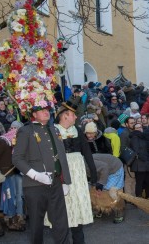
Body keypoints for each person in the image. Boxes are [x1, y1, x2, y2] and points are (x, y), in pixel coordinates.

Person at [12, 107, 71, 244]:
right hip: (34, 186)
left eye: (47, 110)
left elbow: (60, 157)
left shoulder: (54, 130)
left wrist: (64, 181)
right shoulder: (25, 131)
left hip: (55, 182)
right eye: (42, 110)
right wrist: (35, 175)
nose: (46, 113)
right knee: (36, 225)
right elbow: (17, 158)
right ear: (33, 114)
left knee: (61, 222)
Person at [52, 101, 97, 244]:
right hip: (60, 172)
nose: (76, 118)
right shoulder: (53, 131)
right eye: (73, 115)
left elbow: (87, 153)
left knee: (77, 206)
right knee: (62, 208)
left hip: (77, 174)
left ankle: (79, 241)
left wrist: (94, 174)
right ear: (64, 116)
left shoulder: (77, 130)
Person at [130, 123, 149, 198]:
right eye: (137, 128)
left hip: (146, 163)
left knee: (147, 182)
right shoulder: (134, 137)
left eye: (140, 127)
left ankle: (147, 198)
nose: (139, 129)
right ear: (134, 129)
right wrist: (145, 158)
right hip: (139, 164)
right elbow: (136, 150)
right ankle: (139, 199)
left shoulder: (144, 137)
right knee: (139, 183)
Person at [120, 117, 136, 196]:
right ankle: (129, 197)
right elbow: (123, 148)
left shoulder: (133, 132)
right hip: (129, 160)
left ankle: (132, 196)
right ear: (126, 124)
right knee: (129, 179)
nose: (133, 124)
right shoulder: (124, 133)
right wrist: (129, 160)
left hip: (133, 160)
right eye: (131, 123)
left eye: (134, 122)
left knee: (133, 179)